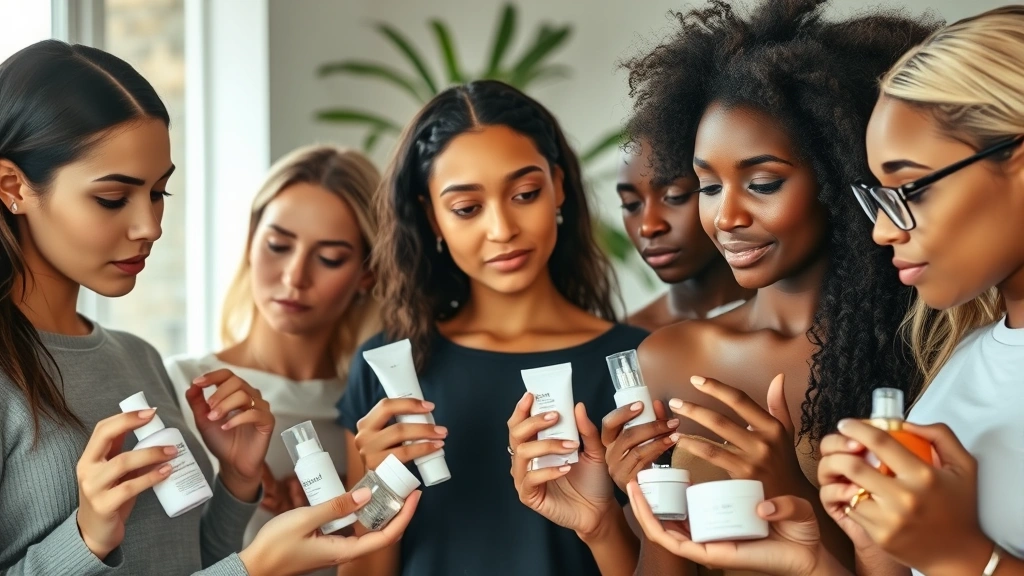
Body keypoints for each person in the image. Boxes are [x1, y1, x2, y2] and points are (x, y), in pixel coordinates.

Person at [0, 40, 416, 576]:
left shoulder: (138, 358)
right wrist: (86, 540)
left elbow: (185, 562)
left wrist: (238, 482)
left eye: (158, 193)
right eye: (112, 198)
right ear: (13, 186)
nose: (150, 226)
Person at [605, 0, 937, 573]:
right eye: (708, 186)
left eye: (761, 183)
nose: (726, 217)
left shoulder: (921, 352)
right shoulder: (669, 358)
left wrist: (788, 489)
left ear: (840, 176)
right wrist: (605, 522)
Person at [336, 79, 647, 576]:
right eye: (467, 208)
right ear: (431, 217)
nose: (502, 228)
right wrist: (379, 489)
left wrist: (602, 524)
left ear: (559, 187)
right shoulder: (389, 369)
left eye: (525, 193)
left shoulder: (638, 365)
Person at [818, 6, 1024, 575]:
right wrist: (871, 547)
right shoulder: (963, 357)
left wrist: (961, 555)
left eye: (911, 188)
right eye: (879, 197)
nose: (884, 230)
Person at [166, 145, 382, 574]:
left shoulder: (369, 412)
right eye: (279, 245)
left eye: (329, 258)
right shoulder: (182, 386)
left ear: (367, 272)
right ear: (250, 241)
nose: (294, 277)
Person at [616, 136, 752, 331]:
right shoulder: (626, 344)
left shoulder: (800, 322)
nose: (648, 226)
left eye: (674, 197)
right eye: (630, 204)